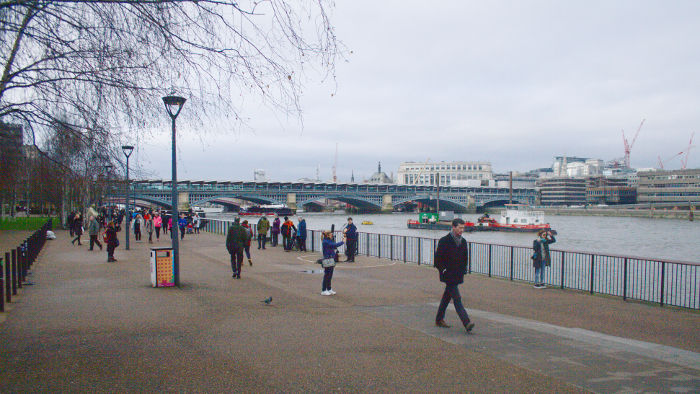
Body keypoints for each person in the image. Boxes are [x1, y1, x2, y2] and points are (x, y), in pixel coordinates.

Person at [434, 218, 475, 333]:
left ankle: (439, 319)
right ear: (453, 227)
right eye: (460, 227)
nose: (462, 230)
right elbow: (437, 260)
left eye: (463, 227)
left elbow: (465, 258)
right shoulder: (444, 241)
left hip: (457, 274)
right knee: (457, 299)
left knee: (447, 297)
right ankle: (466, 322)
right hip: (448, 275)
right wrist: (444, 270)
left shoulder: (463, 242)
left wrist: (464, 270)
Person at [320, 230, 344, 296]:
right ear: (328, 235)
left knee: (330, 275)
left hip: (331, 258)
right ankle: (324, 290)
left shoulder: (328, 240)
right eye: (331, 234)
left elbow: (334, 245)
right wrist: (343, 242)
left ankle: (329, 289)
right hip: (327, 259)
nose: (332, 235)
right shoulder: (325, 241)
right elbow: (334, 245)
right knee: (327, 275)